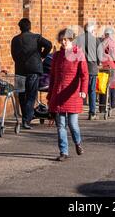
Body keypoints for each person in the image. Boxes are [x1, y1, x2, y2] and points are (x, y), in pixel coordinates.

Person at [47, 29, 88, 162]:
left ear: (71, 40)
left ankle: (78, 143)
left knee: (73, 124)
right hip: (58, 93)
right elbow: (52, 76)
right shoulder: (57, 56)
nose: (64, 42)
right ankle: (63, 151)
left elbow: (84, 74)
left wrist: (83, 90)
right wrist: (50, 94)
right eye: (62, 40)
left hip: (73, 94)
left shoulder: (78, 54)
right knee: (60, 126)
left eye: (66, 39)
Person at [11, 18, 52, 130]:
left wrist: (20, 62)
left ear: (20, 27)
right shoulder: (36, 37)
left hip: (20, 70)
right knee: (31, 95)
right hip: (33, 69)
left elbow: (13, 55)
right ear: (30, 27)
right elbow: (49, 44)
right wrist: (42, 55)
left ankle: (26, 117)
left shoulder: (15, 40)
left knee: (22, 95)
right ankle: (26, 119)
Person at [75, 23, 101, 120]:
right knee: (92, 91)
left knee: (78, 90)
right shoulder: (96, 40)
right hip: (92, 68)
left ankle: (76, 111)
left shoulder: (78, 39)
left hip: (80, 68)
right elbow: (100, 55)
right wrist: (97, 62)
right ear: (92, 30)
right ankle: (92, 113)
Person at [99, 27, 115, 109]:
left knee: (103, 85)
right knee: (112, 85)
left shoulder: (101, 43)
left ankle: (102, 107)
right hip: (111, 66)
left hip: (103, 66)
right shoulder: (113, 43)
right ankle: (112, 103)